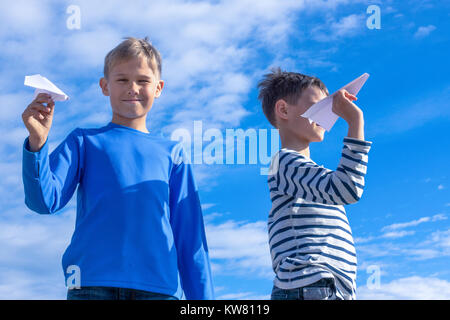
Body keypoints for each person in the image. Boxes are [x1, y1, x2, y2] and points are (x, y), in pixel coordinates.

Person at [21, 37, 214, 300]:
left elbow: (190, 238)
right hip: (91, 286)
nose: (132, 88)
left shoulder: (173, 154)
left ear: (158, 88)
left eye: (143, 81)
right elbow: (43, 201)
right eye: (122, 80)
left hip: (159, 292)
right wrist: (38, 143)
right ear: (105, 86)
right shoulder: (83, 142)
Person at [257, 68, 372, 300]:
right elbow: (348, 188)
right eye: (318, 105)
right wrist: (355, 121)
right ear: (283, 110)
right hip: (311, 285)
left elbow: (341, 187)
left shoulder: (309, 174)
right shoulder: (284, 163)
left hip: (325, 288)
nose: (328, 114)